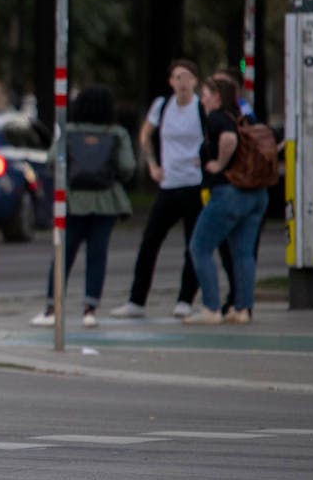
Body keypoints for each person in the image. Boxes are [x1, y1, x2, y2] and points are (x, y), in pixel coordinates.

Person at [31, 85, 136, 329]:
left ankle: (51, 308)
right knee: (97, 255)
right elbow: (128, 167)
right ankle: (90, 309)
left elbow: (51, 162)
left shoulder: (68, 132)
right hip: (106, 202)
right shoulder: (117, 133)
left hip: (72, 201)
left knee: (62, 254)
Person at [110, 59, 205, 319]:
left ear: (195, 81)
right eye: (177, 78)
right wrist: (152, 164)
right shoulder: (163, 106)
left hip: (194, 183)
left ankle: (186, 298)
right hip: (169, 182)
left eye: (187, 77)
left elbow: (215, 135)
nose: (182, 83)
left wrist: (206, 158)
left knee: (193, 244)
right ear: (171, 82)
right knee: (150, 241)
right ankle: (137, 300)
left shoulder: (200, 108)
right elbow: (145, 134)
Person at [185, 74, 270, 325]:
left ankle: (211, 307)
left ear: (217, 97)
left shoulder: (217, 118)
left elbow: (229, 139)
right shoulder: (242, 118)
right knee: (243, 252)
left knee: (200, 247)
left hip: (228, 193)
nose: (202, 99)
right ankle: (242, 308)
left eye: (206, 93)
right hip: (256, 194)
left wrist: (219, 164)